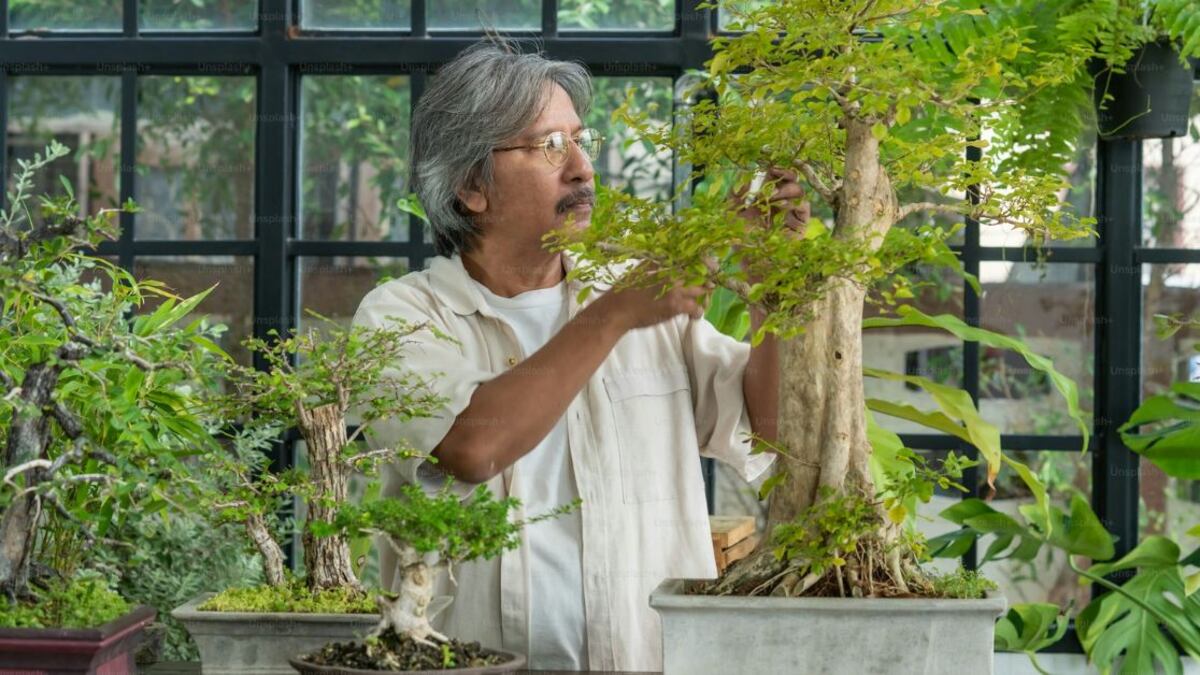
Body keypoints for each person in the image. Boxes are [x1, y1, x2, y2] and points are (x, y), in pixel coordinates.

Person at [351, 34, 806, 672]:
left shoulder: (637, 297)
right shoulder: (401, 317)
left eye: (581, 140)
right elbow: (471, 450)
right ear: (471, 188)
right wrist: (616, 313)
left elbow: (775, 430)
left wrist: (769, 290)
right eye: (549, 146)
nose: (583, 168)